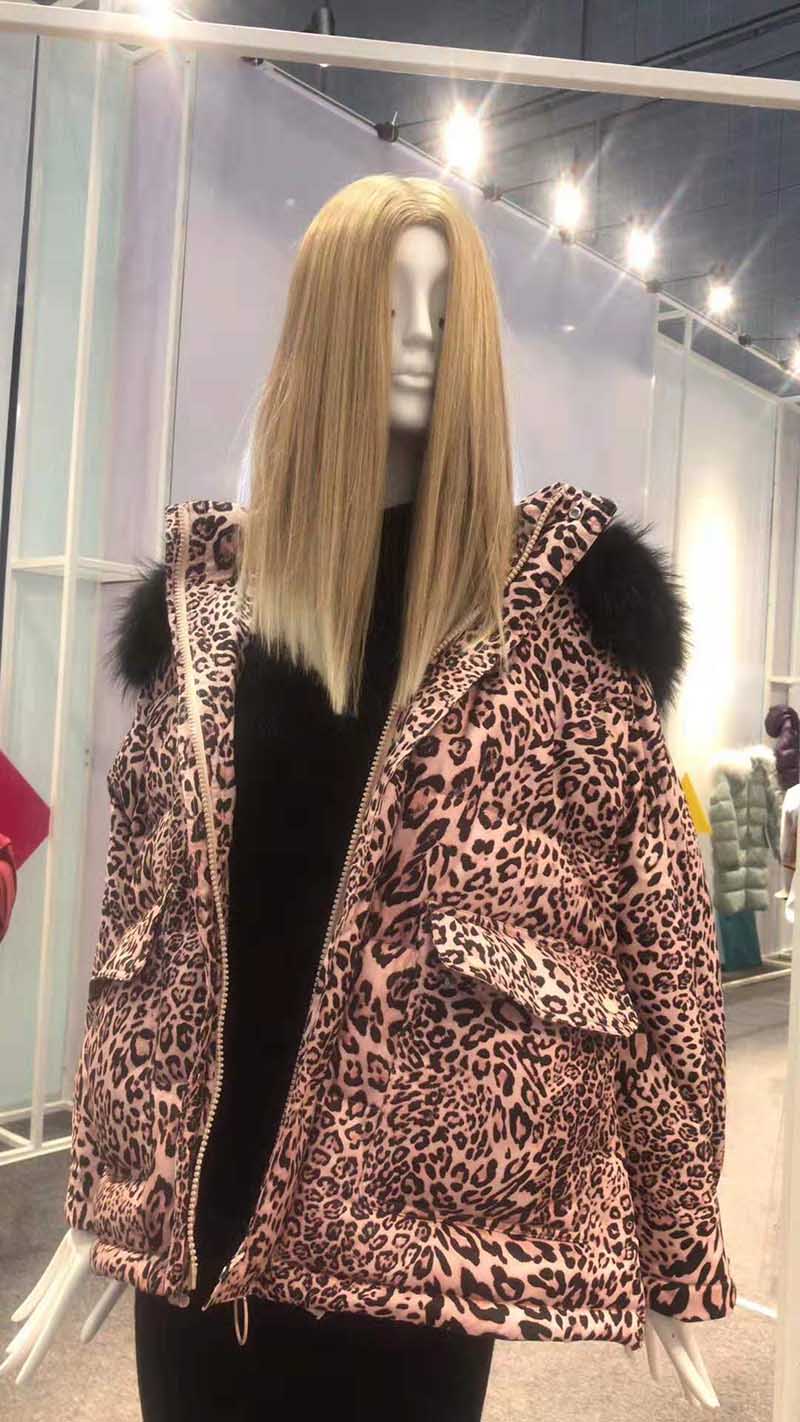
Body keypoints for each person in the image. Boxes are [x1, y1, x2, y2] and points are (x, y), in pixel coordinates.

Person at [10, 175, 735, 1417]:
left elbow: (661, 947)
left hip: (415, 1269)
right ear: (320, 330)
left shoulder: (563, 633)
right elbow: (142, 946)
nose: (415, 340)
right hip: (194, 1254)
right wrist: (105, 1200)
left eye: (444, 312)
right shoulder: (204, 620)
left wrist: (679, 1241)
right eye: (384, 304)